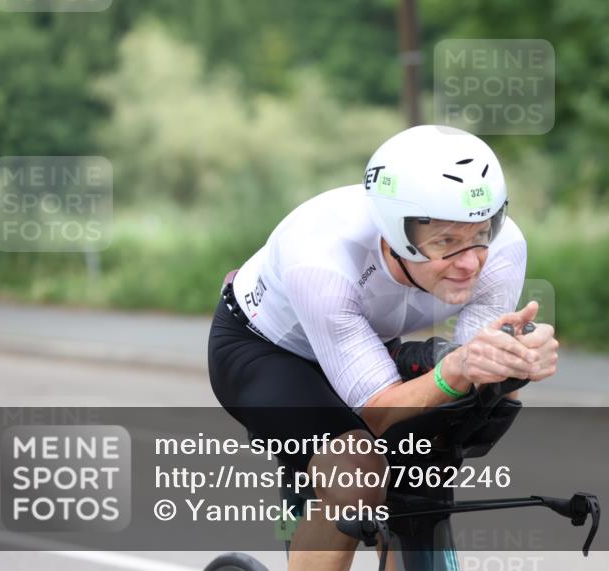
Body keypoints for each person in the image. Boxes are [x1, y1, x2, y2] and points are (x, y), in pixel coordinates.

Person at [207, 124, 559, 570]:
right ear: (395, 234)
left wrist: (516, 361)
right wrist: (459, 369)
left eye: (479, 234)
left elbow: (474, 367)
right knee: (358, 475)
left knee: (419, 481)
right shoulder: (321, 257)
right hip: (267, 353)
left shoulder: (504, 248)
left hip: (366, 343)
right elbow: (380, 408)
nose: (469, 262)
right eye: (447, 242)